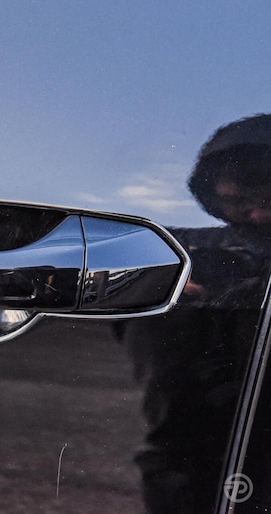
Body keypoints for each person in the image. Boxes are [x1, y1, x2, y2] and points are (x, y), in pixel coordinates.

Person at [118, 114, 271, 513]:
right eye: (238, 203)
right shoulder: (182, 244)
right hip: (189, 451)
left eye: (268, 198)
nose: (258, 216)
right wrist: (172, 281)